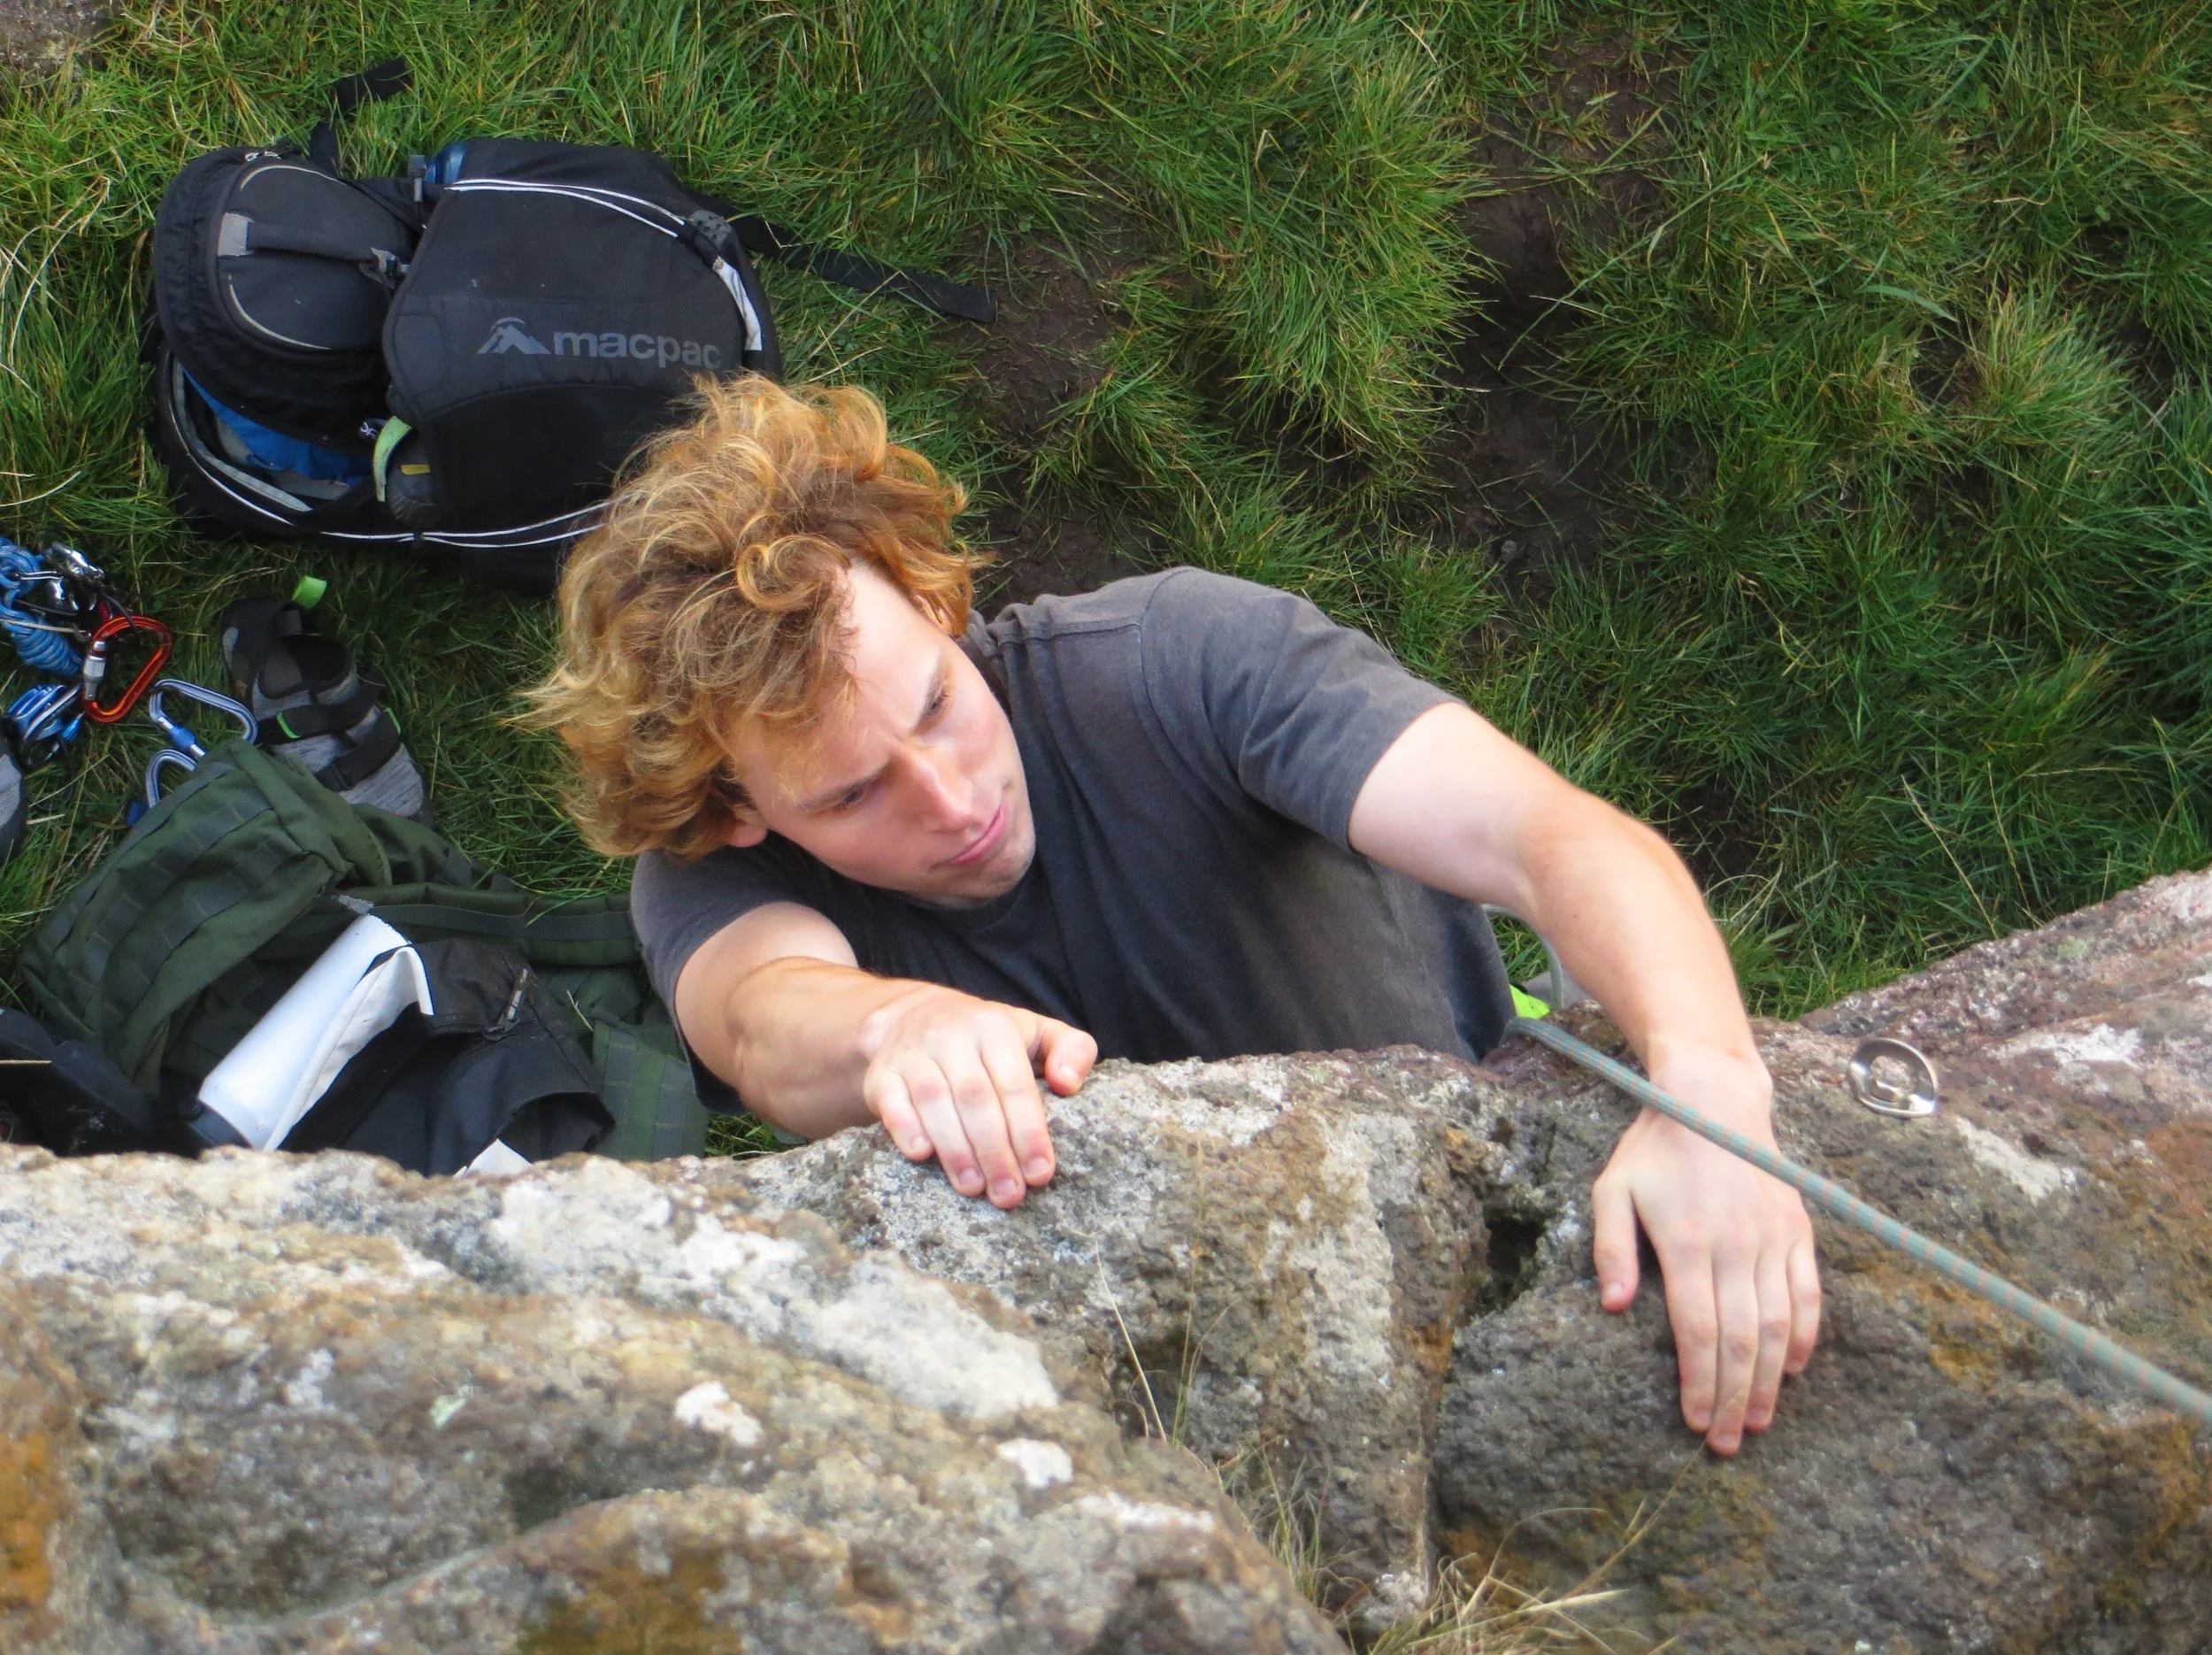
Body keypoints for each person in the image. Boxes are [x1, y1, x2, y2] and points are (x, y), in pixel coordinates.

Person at [527, 375, 1820, 1456]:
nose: (951, 795)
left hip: (1465, 1200)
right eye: (856, 791)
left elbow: (1548, 835)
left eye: (934, 701)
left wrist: (1709, 1088)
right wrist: (899, 1031)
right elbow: (760, 1018)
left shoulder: (1182, 660)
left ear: (931, 599)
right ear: (739, 807)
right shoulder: (711, 874)